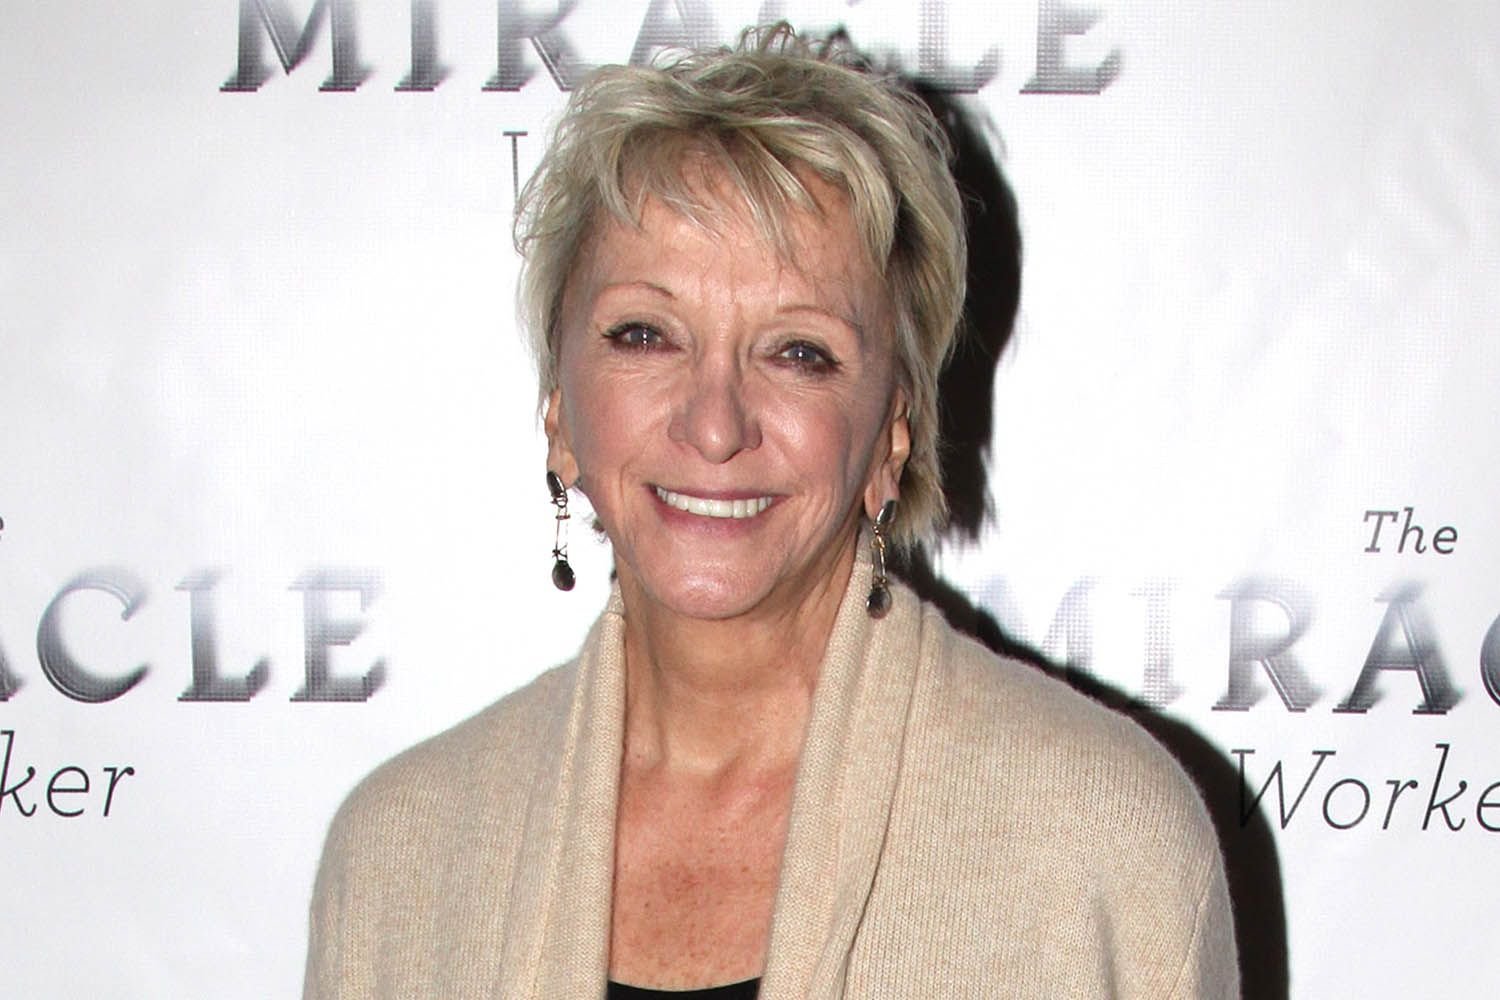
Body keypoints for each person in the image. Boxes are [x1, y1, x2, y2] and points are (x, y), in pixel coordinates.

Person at [303, 25, 1238, 1000]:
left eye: (799, 352)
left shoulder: (1101, 843)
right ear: (559, 412)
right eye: (645, 334)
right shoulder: (399, 860)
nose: (715, 424)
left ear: (893, 434)